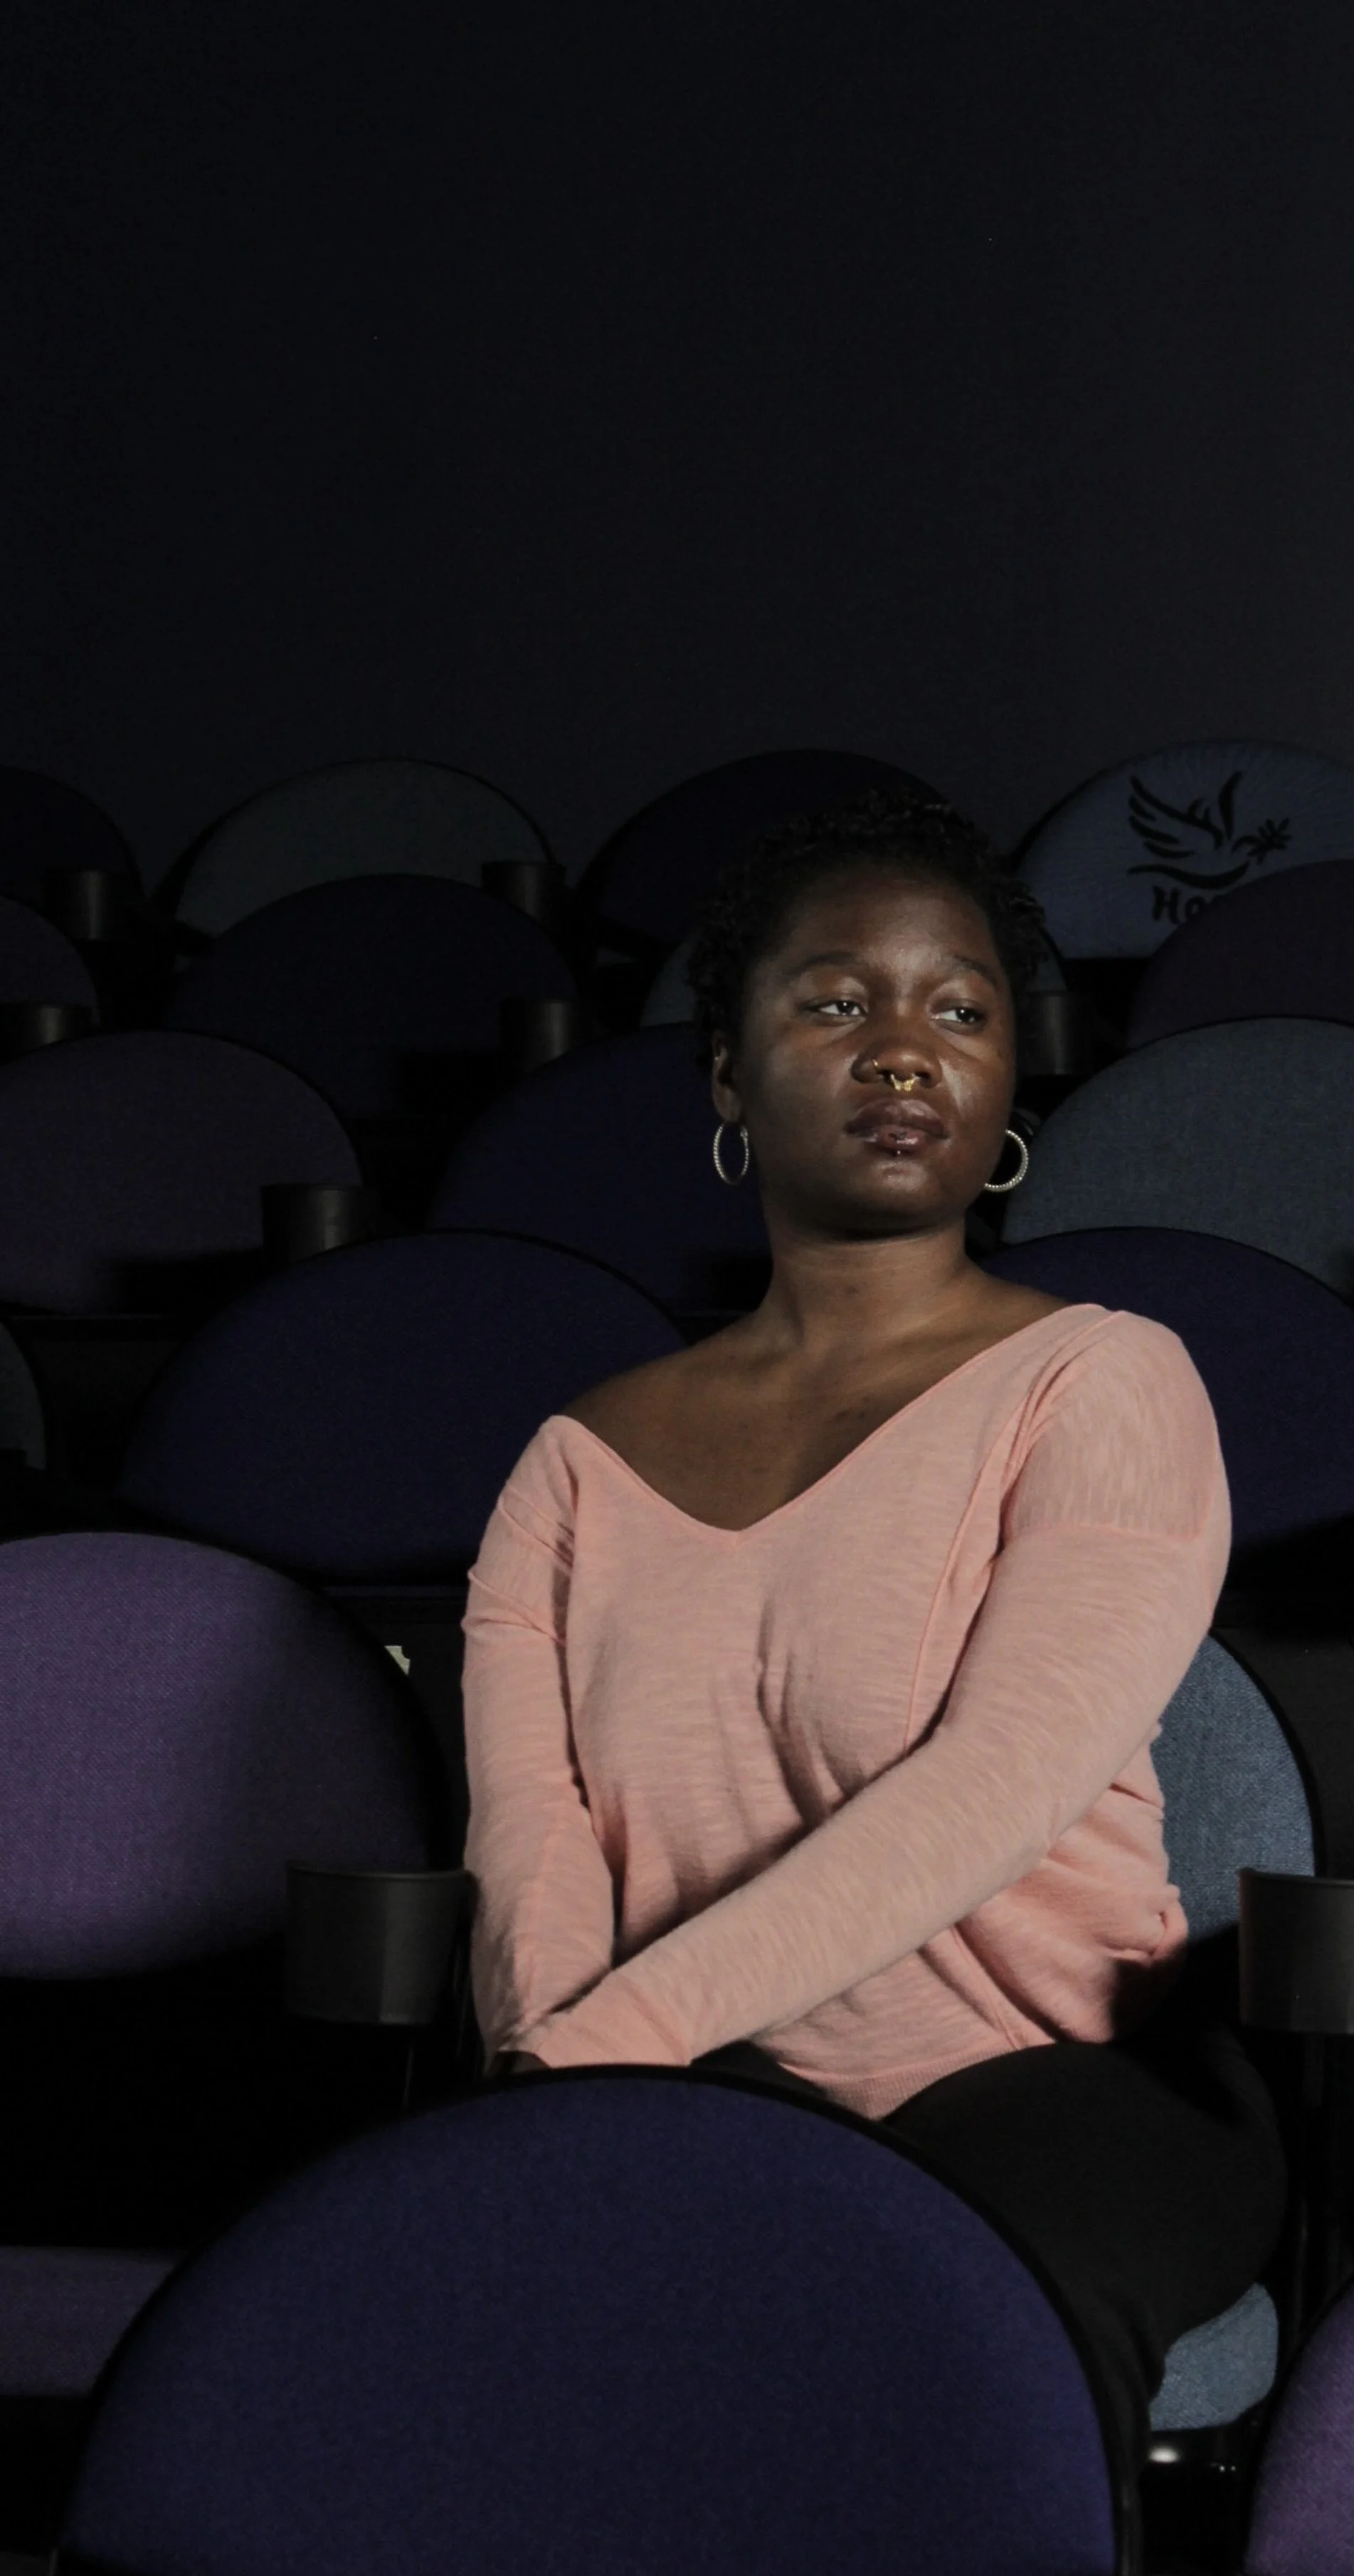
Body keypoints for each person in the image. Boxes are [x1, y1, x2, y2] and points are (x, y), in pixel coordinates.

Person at [463, 789, 1283, 2461]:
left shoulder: (1100, 1380)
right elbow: (530, 1843)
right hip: (708, 2073)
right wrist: (563, 2093)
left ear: (1005, 1099)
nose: (903, 1047)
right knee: (551, 2334)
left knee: (934, 2356)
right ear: (725, 1082)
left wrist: (612, 2047)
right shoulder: (572, 1462)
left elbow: (995, 1783)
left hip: (1065, 2083)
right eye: (835, 1000)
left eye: (959, 1009)